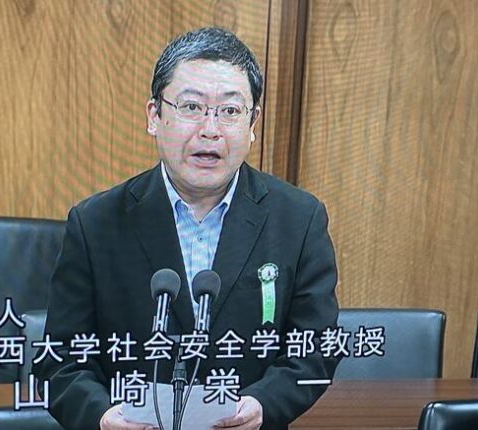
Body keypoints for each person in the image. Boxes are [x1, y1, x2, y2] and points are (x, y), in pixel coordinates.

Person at [34, 27, 339, 430]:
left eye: (230, 111)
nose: (210, 129)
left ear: (253, 123)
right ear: (154, 116)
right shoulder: (95, 224)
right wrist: (101, 416)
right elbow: (59, 360)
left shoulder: (299, 220)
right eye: (191, 107)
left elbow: (316, 348)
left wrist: (264, 405)